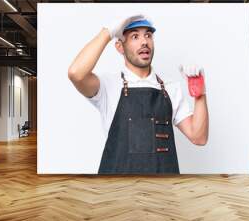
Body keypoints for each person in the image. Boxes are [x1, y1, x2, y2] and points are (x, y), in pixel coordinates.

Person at [68, 14, 209, 174]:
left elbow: (199, 137)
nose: (144, 42)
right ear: (120, 47)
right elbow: (75, 73)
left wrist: (200, 94)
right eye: (135, 36)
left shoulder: (171, 88)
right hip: (117, 191)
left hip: (162, 193)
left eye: (148, 35)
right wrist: (107, 32)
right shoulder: (107, 86)